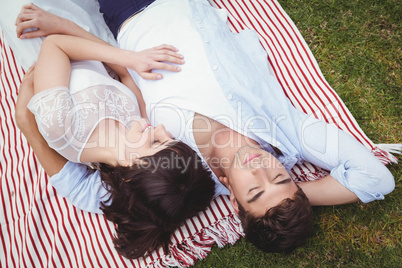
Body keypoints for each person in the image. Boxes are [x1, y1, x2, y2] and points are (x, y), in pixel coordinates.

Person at [15, 0, 395, 257]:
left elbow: (89, 192)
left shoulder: (182, 176)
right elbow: (376, 179)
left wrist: (28, 129)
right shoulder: (287, 133)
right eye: (279, 178)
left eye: (255, 189)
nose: (260, 166)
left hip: (131, 14)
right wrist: (291, 198)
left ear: (232, 199)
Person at [16, 13, 215, 258]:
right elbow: (126, 74)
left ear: (131, 174)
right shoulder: (137, 126)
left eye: (156, 142)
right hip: (93, 37)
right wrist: (125, 58)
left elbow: (54, 45)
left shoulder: (60, 126)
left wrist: (65, 26)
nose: (162, 129)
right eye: (170, 138)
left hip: (42, 31)